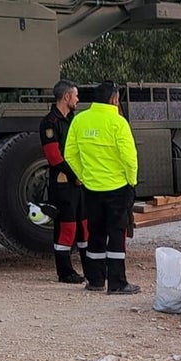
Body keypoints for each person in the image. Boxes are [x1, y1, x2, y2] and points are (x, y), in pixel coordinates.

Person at [63, 82, 140, 295]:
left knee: (95, 233)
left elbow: (69, 154)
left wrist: (83, 176)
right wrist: (131, 181)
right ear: (114, 99)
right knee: (116, 233)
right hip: (117, 187)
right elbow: (129, 158)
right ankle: (117, 283)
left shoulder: (79, 120)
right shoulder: (118, 122)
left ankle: (95, 280)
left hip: (91, 188)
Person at [39, 79, 86, 283]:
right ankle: (65, 272)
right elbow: (54, 157)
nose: (78, 99)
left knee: (84, 225)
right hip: (63, 183)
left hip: (79, 182)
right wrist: (74, 175)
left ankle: (91, 268)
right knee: (67, 228)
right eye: (75, 95)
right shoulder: (49, 123)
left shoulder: (74, 120)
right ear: (66, 97)